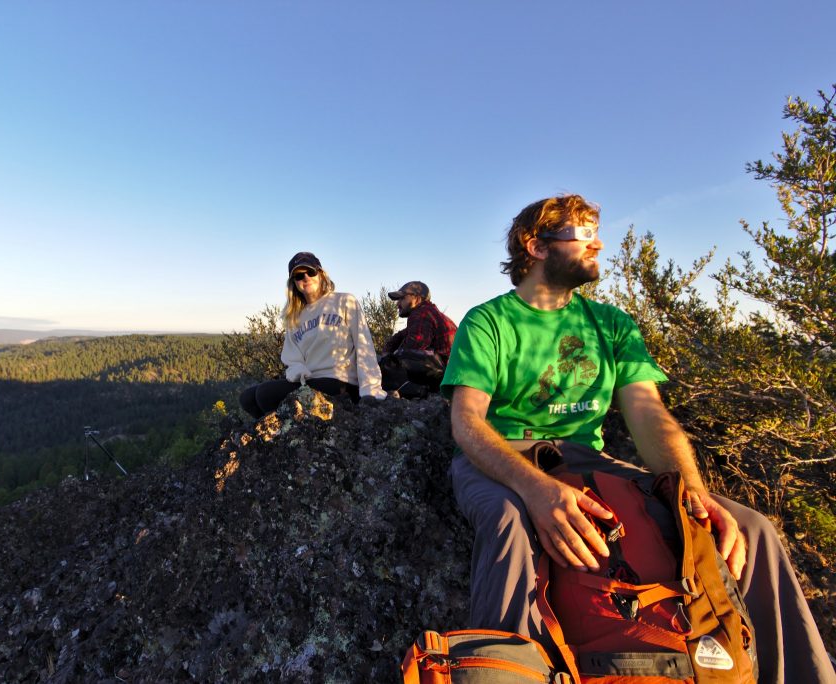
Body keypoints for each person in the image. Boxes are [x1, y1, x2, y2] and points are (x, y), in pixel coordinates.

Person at [441, 194, 835, 684]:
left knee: (750, 528)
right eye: (582, 235)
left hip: (588, 458)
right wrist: (536, 490)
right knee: (510, 524)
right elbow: (468, 424)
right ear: (535, 246)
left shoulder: (612, 325)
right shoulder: (489, 321)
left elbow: (648, 413)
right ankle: (506, 669)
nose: (597, 243)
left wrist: (692, 493)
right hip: (504, 458)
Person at [239, 252, 386, 419]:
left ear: (321, 274)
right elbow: (292, 357)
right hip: (309, 382)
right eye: (299, 275)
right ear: (294, 283)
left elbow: (364, 345)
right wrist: (298, 372)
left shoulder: (344, 301)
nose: (306, 278)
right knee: (247, 398)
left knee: (265, 394)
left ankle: (293, 431)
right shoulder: (294, 316)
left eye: (311, 272)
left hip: (340, 382)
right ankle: (280, 432)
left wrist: (370, 390)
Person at [378, 281, 457, 398]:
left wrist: (386, 360)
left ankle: (414, 390)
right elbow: (401, 335)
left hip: (443, 376)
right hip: (452, 373)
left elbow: (413, 347)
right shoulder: (431, 313)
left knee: (395, 360)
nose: (397, 304)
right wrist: (388, 350)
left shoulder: (422, 314)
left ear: (417, 298)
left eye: (402, 298)